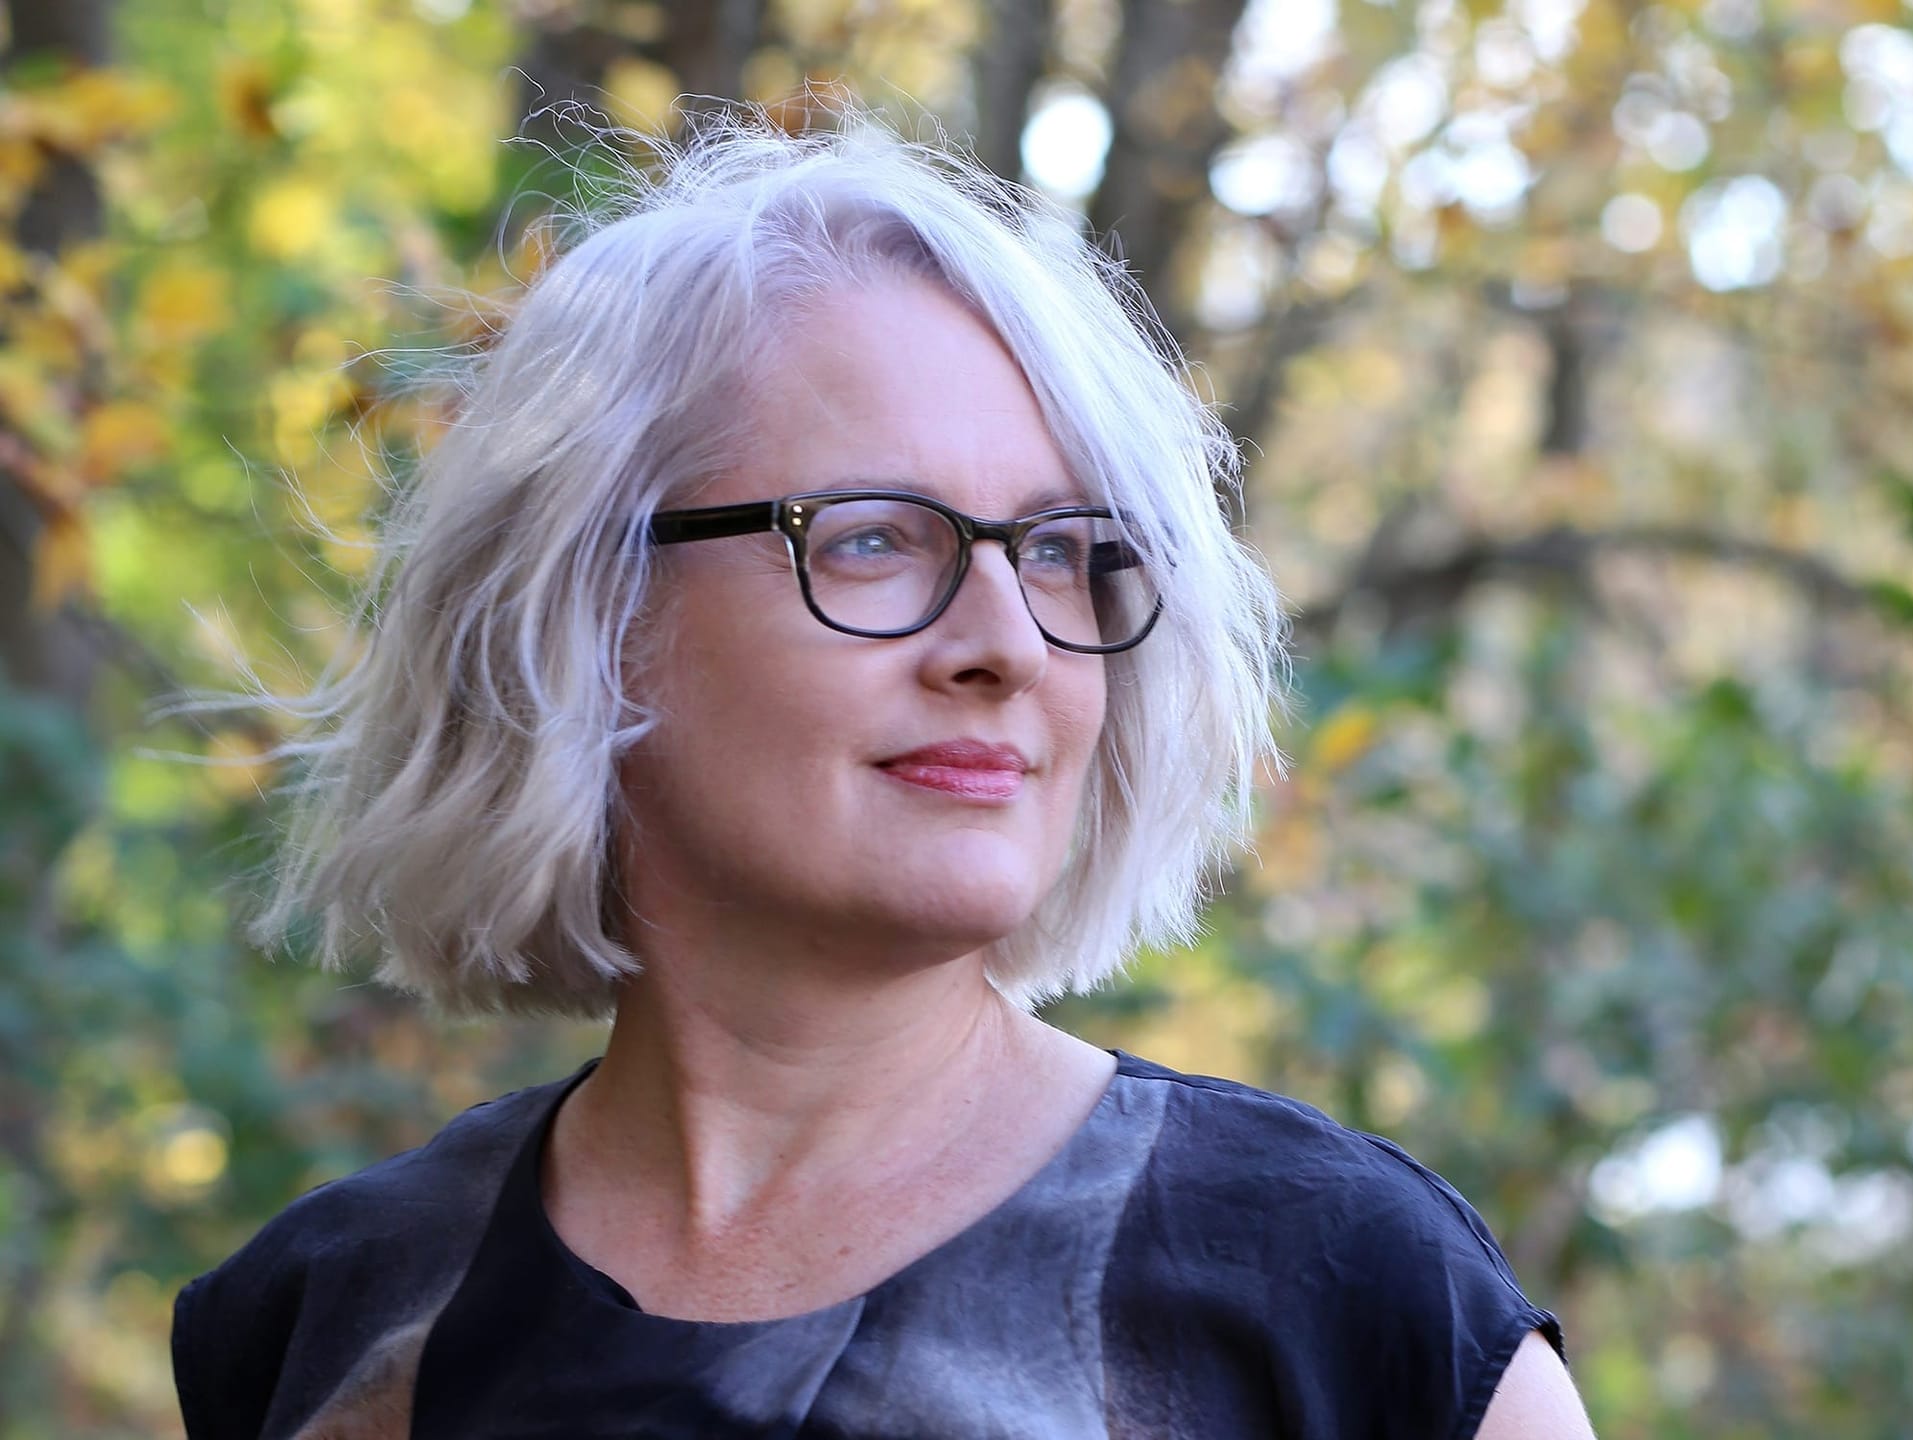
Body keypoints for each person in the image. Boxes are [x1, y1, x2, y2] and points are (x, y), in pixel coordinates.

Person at [171, 110, 1593, 1439]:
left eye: (1057, 550)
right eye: (869, 538)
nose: (1010, 644)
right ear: (589, 610)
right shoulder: (321, 1317)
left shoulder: (1346, 1299)